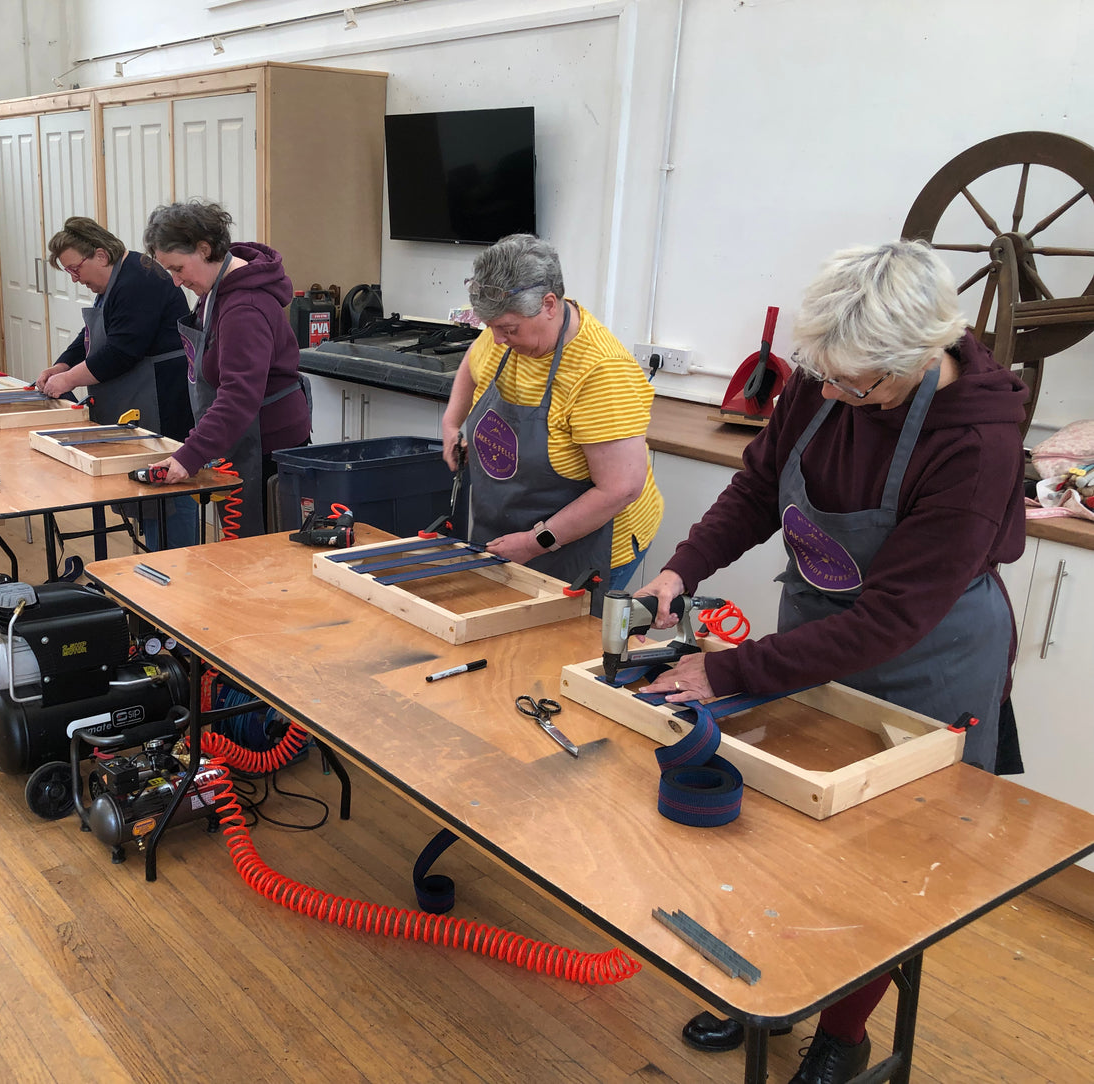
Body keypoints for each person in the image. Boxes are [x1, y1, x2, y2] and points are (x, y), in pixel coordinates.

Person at [638, 239, 1028, 1084]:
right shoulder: (826, 382)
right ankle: (768, 986)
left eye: (864, 387)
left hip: (925, 655)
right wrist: (682, 567)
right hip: (815, 625)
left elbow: (892, 616)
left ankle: (842, 1031)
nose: (843, 398)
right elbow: (756, 486)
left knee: (883, 868)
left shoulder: (975, 441)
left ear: (920, 357)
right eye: (832, 379)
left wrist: (730, 671)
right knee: (778, 831)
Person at [440, 234, 662, 613]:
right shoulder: (503, 332)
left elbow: (620, 489)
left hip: (589, 544)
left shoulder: (601, 371)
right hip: (513, 529)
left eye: (509, 329)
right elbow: (471, 365)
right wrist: (451, 423)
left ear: (548, 304)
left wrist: (534, 542)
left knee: (561, 653)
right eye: (491, 327)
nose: (497, 339)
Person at [140, 201, 311, 537]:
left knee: (261, 552)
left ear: (204, 249)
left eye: (178, 268)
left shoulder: (244, 306)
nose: (175, 282)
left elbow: (238, 396)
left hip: (265, 448)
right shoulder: (214, 291)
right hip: (239, 440)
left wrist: (189, 456)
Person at [38, 217, 198, 548]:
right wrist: (62, 364)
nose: (75, 279)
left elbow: (121, 352)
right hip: (139, 396)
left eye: (75, 269)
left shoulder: (139, 280)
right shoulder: (114, 281)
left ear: (100, 254)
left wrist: (68, 379)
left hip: (162, 398)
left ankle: (176, 572)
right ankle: (153, 571)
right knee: (146, 494)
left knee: (167, 491)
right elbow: (94, 334)